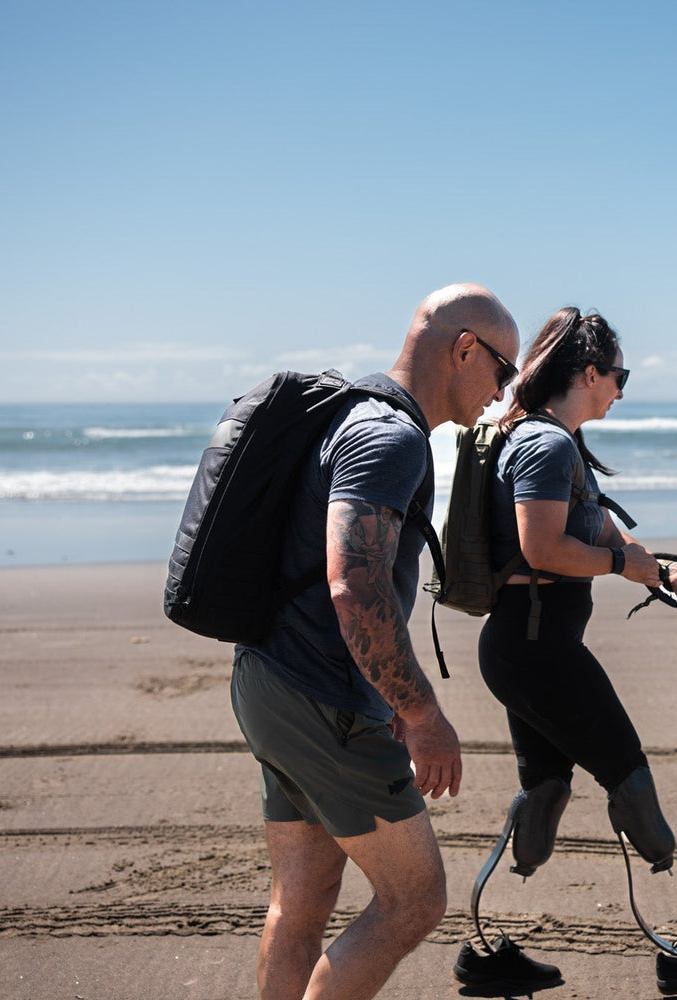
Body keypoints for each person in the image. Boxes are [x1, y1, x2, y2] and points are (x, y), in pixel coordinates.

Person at [454, 307, 677, 996]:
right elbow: (543, 549)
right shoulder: (548, 445)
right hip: (536, 651)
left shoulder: (552, 441)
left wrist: (667, 574)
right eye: (620, 375)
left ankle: (482, 951)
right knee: (632, 789)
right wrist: (628, 568)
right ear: (589, 372)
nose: (622, 389)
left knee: (546, 795)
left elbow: (596, 543)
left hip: (528, 648)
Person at [230, 284, 520, 1000]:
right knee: (413, 901)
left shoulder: (351, 415)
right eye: (503, 371)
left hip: (270, 678)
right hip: (321, 695)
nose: (502, 392)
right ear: (463, 349)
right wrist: (420, 712)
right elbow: (352, 587)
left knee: (299, 904)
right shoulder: (390, 438)